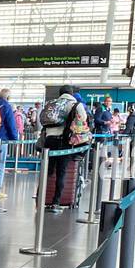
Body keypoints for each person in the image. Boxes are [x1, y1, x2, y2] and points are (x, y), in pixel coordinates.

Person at [39, 84, 92, 213]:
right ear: (72, 93)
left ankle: (40, 199)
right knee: (61, 172)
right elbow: (83, 120)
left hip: (49, 140)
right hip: (64, 141)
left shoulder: (52, 103)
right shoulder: (76, 105)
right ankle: (55, 202)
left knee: (47, 171)